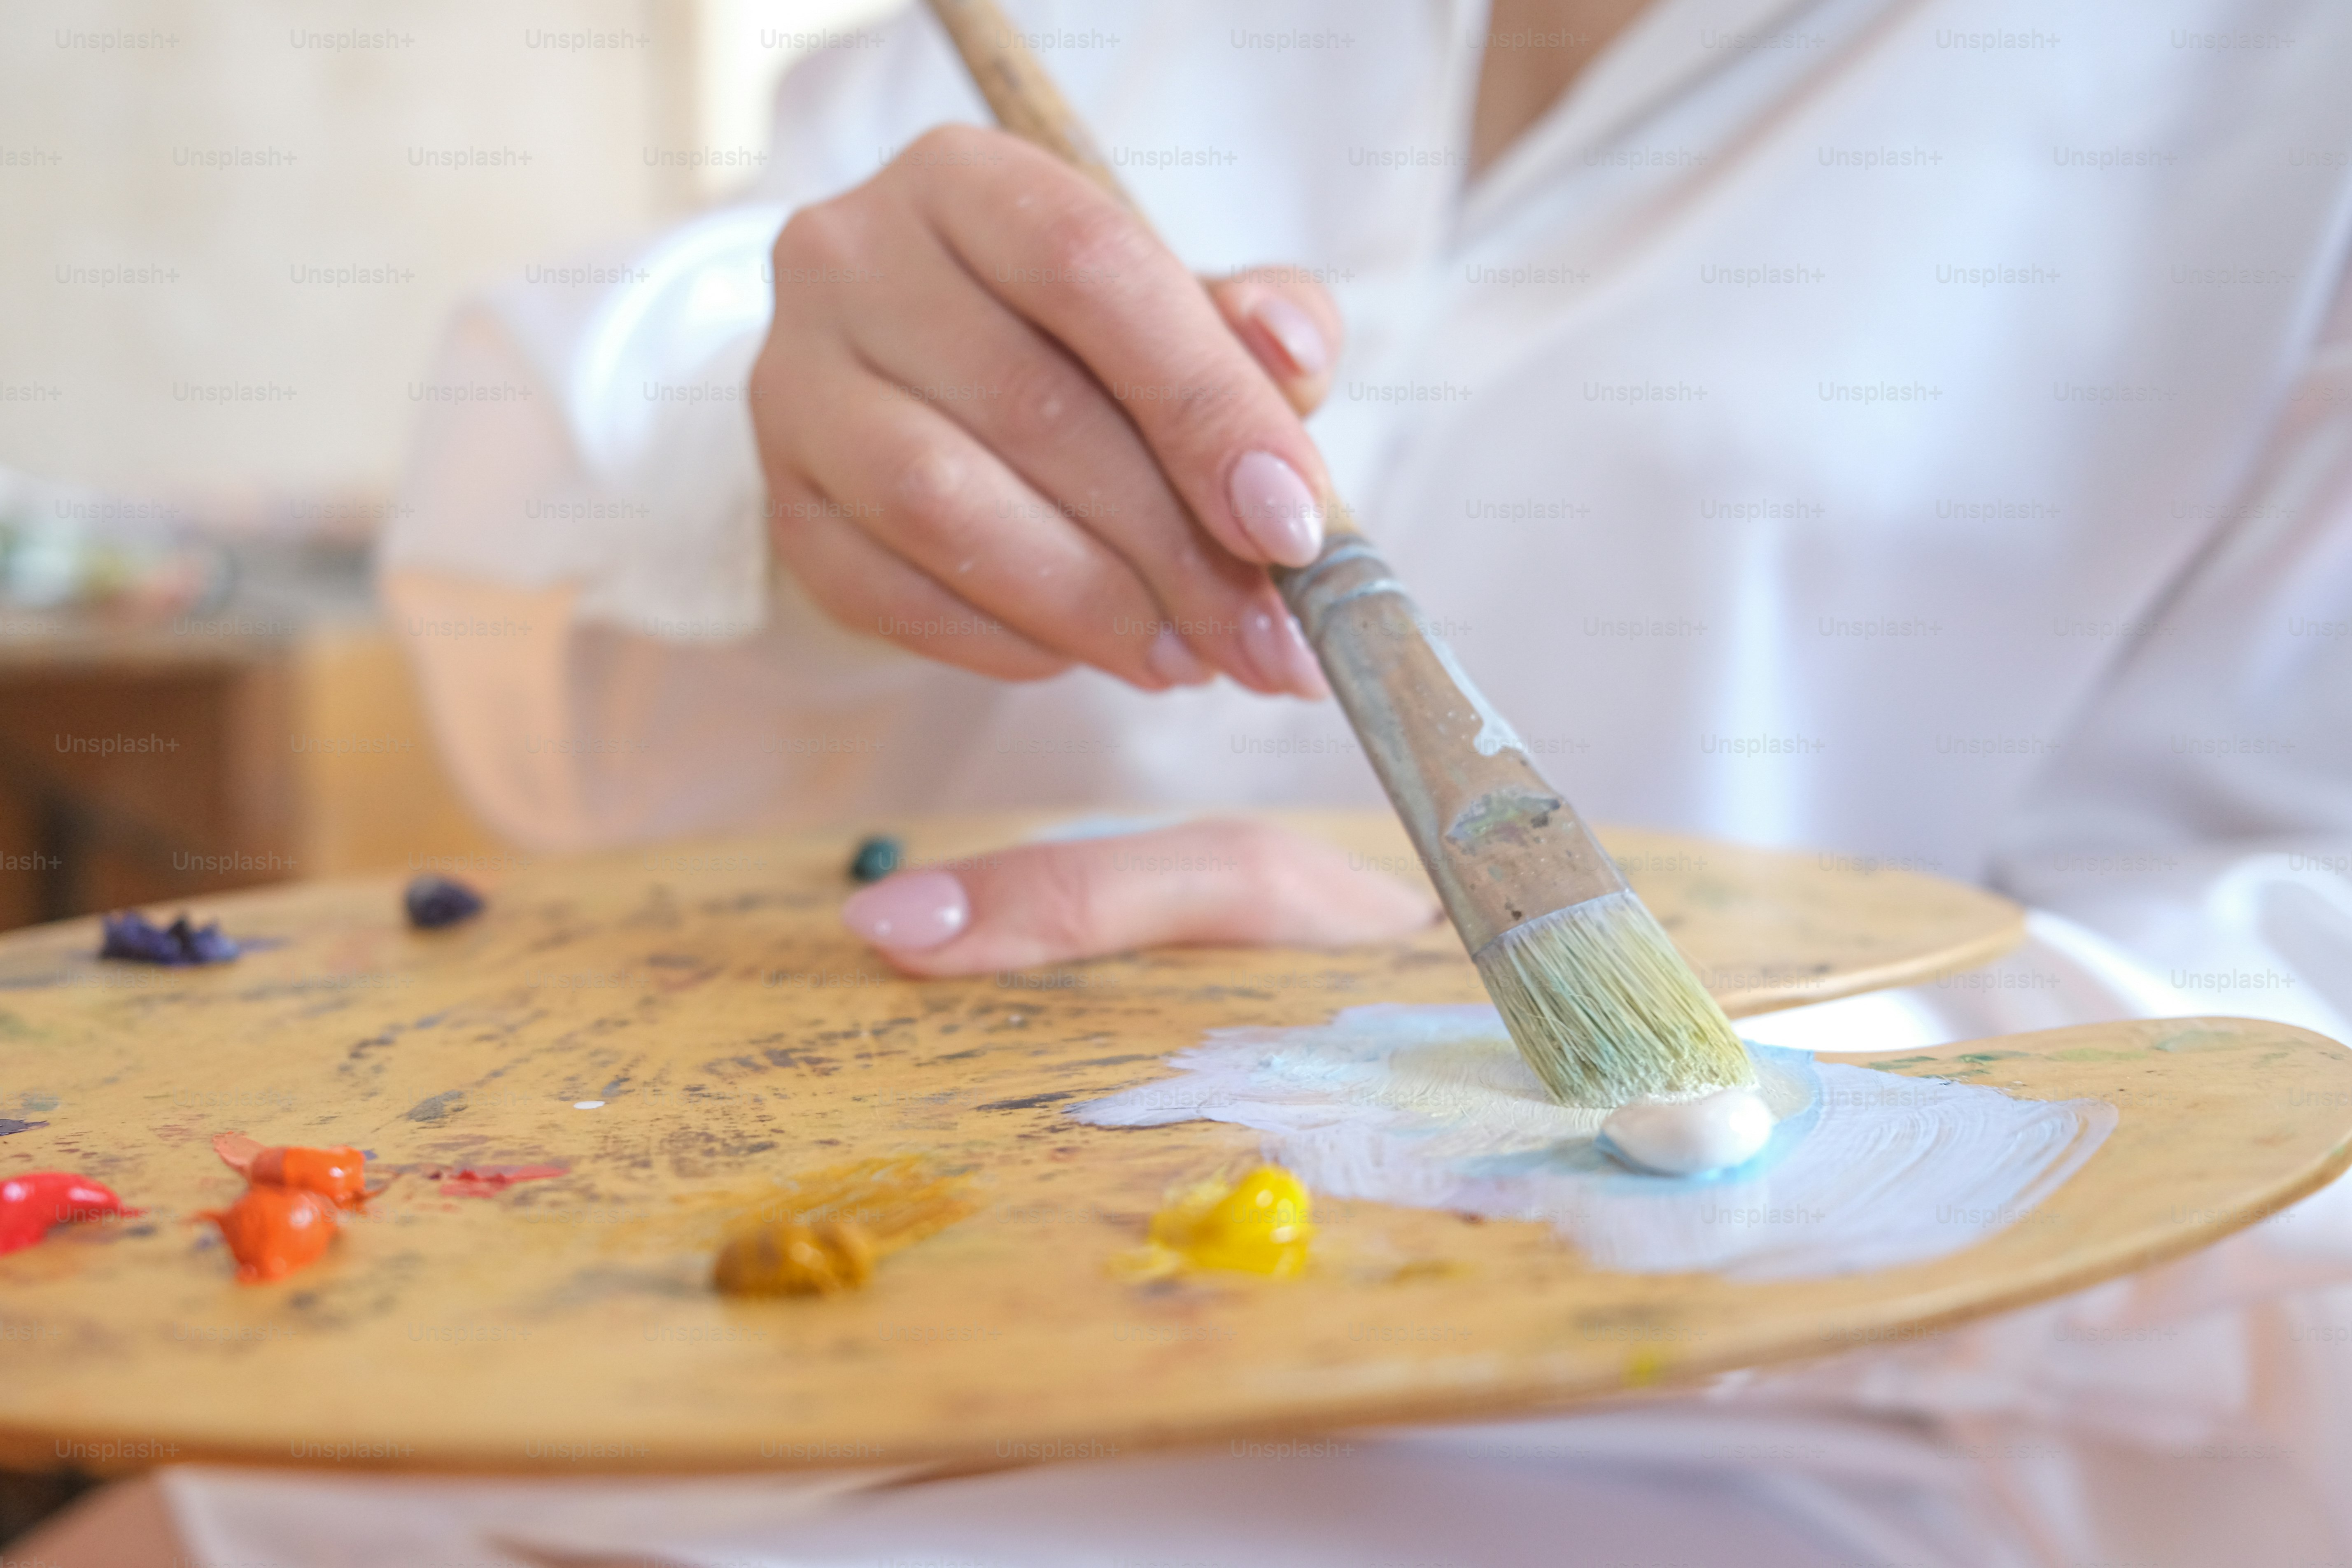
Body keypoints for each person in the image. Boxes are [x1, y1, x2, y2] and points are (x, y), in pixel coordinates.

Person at [45, 0, 2343, 1563]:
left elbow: (2287, 1008)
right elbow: (544, 641)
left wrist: (1466, 1075)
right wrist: (789, 468)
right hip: (824, 1281)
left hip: (1768, 1431)